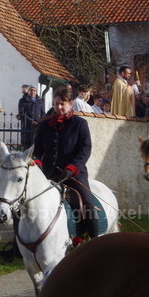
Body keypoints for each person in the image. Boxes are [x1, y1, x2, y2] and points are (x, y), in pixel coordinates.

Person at [32, 84, 96, 241]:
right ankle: (16, 244)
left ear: (70, 104)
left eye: (62, 104)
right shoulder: (44, 125)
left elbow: (85, 149)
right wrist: (37, 165)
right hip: (49, 175)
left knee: (87, 205)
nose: (58, 107)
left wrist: (72, 167)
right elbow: (37, 150)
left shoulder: (80, 124)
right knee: (25, 202)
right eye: (56, 104)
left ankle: (95, 242)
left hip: (74, 175)